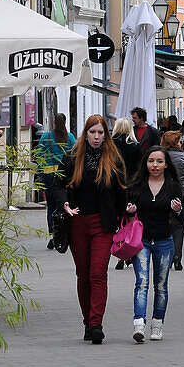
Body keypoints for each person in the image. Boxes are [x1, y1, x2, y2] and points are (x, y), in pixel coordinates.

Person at [53, 114, 127, 345]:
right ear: (85, 134)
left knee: (97, 273)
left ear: (106, 135)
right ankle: (87, 321)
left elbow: (122, 191)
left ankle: (96, 324)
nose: (96, 137)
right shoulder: (72, 158)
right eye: (92, 132)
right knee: (83, 276)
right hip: (78, 223)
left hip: (103, 225)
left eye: (101, 133)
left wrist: (126, 214)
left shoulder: (113, 159)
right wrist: (64, 202)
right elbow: (57, 185)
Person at [126, 146, 183, 342]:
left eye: (159, 161)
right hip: (141, 241)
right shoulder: (137, 185)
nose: (155, 165)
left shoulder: (173, 186)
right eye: (151, 161)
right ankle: (139, 323)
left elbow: (181, 218)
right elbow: (127, 210)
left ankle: (157, 323)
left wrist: (177, 210)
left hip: (164, 241)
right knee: (141, 283)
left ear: (166, 164)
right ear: (146, 163)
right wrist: (130, 211)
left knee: (161, 286)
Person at [36, 113, 76, 248]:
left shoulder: (45, 137)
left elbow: (39, 155)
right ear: (65, 122)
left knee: (51, 206)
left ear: (53, 122)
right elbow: (74, 155)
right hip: (64, 175)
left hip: (48, 174)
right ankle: (64, 234)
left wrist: (40, 174)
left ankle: (52, 236)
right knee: (65, 204)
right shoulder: (69, 137)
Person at [111, 118, 144, 269]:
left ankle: (119, 256)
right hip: (132, 185)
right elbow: (141, 167)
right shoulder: (135, 146)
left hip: (115, 184)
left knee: (118, 219)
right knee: (131, 218)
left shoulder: (111, 145)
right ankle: (129, 250)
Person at [161, 131, 184, 270]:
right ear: (175, 143)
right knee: (179, 226)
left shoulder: (161, 157)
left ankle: (168, 257)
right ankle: (177, 258)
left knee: (167, 227)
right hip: (182, 196)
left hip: (165, 197)